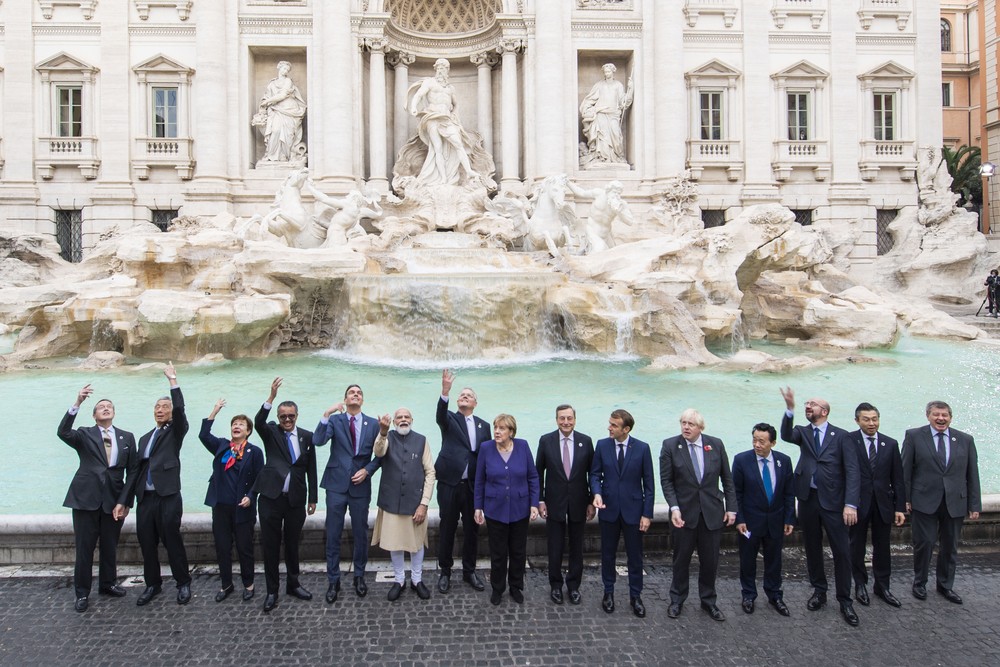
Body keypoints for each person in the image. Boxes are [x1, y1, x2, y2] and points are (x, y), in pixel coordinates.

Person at [779, 387, 861, 626]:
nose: (808, 406)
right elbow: (784, 435)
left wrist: (850, 504)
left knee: (842, 551)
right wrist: (790, 409)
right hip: (807, 499)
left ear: (824, 411)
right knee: (812, 548)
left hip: (835, 502)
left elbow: (853, 471)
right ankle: (819, 591)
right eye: (806, 403)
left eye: (812, 404)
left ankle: (845, 599)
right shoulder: (802, 432)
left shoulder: (842, 436)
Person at [57, 385, 138, 612]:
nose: (105, 408)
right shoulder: (84, 433)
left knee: (110, 545)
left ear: (114, 413)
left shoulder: (127, 437)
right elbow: (63, 432)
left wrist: (125, 501)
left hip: (114, 499)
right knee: (85, 547)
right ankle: (82, 593)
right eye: (101, 407)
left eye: (109, 406)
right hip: (85, 498)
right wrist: (77, 403)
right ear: (94, 415)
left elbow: (133, 472)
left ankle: (108, 583)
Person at [659, 409, 737, 621]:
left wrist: (731, 508)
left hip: (711, 513)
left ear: (701, 427)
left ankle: (708, 600)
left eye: (690, 424)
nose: (686, 427)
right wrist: (674, 508)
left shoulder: (716, 444)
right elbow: (666, 482)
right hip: (683, 514)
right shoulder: (670, 446)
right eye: (683, 423)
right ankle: (677, 600)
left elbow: (727, 479)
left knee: (710, 561)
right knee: (680, 560)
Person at [901, 401, 981, 604]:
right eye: (936, 414)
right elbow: (905, 472)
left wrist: (974, 504)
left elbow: (972, 474)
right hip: (924, 501)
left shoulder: (965, 439)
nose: (941, 418)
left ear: (950, 417)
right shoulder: (914, 436)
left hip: (954, 503)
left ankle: (945, 585)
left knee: (950, 547)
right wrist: (905, 499)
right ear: (928, 416)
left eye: (945, 415)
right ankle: (919, 583)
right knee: (924, 544)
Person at [312, 384, 382, 603]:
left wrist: (367, 470)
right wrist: (327, 413)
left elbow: (380, 455)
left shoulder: (374, 424)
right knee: (333, 533)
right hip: (336, 484)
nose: (356, 395)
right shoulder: (335, 420)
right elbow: (318, 441)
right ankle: (333, 579)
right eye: (352, 392)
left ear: (363, 400)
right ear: (345, 399)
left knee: (361, 532)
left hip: (360, 485)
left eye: (359, 393)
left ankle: (359, 576)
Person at [253, 377, 317, 612]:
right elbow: (258, 421)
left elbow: (311, 467)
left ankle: (293, 583)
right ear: (278, 418)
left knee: (292, 544)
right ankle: (272, 591)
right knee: (270, 545)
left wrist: (313, 498)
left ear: (296, 416)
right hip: (270, 498)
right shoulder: (271, 432)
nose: (287, 420)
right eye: (283, 417)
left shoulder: (307, 436)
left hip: (295, 500)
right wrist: (271, 397)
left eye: (291, 416)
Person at [135, 363, 192, 607]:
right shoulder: (145, 438)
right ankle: (152, 584)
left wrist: (173, 382)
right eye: (157, 407)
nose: (160, 410)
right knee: (147, 543)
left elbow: (180, 408)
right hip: (145, 498)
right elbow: (137, 471)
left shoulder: (176, 431)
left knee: (172, 540)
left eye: (164, 407)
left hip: (168, 495)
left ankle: (183, 583)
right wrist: (124, 502)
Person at [199, 399, 265, 603]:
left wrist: (251, 496)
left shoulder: (254, 452)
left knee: (245, 548)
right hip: (220, 507)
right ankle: (226, 584)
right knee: (222, 547)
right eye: (234, 424)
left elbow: (259, 479)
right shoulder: (221, 446)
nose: (236, 426)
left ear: (248, 431)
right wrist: (214, 411)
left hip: (242, 508)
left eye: (241, 424)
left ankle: (249, 584)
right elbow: (203, 435)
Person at [591, 409, 654, 618]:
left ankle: (635, 596)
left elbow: (649, 485)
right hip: (608, 510)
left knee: (635, 557)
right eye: (609, 423)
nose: (609, 427)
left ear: (626, 429)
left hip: (633, 512)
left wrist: (647, 514)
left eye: (614, 425)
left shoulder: (643, 449)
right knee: (607, 555)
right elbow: (594, 475)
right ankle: (608, 592)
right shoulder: (601, 445)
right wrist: (597, 494)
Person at [434, 369, 491, 594]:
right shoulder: (448, 419)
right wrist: (445, 391)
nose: (465, 396)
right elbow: (439, 413)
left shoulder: (484, 425)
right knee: (446, 528)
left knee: (472, 531)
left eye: (469, 395)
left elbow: (487, 455)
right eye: (462, 395)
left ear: (475, 403)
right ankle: (445, 572)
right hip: (449, 483)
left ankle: (469, 571)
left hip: (472, 487)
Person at [474, 414, 540, 605]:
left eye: (502, 428)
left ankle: (516, 586)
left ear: (511, 432)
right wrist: (478, 506)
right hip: (495, 509)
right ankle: (497, 588)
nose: (497, 431)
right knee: (498, 553)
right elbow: (480, 480)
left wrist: (534, 503)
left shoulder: (523, 446)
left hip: (520, 508)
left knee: (518, 552)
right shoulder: (486, 448)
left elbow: (533, 477)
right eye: (496, 427)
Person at [371, 408, 435, 601]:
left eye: (407, 417)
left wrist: (424, 503)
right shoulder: (386, 437)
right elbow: (378, 451)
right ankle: (399, 580)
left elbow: (430, 472)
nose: (403, 420)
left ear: (412, 420)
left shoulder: (422, 440)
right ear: (394, 422)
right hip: (391, 501)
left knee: (416, 544)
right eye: (399, 417)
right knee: (394, 543)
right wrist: (382, 432)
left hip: (415, 502)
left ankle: (417, 579)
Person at [732, 423, 795, 616]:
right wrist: (739, 519)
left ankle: (774, 593)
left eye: (761, 441)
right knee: (748, 560)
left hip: (775, 520)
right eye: (754, 440)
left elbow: (788, 493)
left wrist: (789, 519)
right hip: (750, 522)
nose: (757, 445)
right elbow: (736, 493)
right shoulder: (742, 460)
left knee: (774, 560)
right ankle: (748, 594)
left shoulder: (784, 461)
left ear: (773, 443)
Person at [535, 404, 594, 605]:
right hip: (554, 502)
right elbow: (538, 473)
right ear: (556, 420)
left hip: (579, 501)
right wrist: (540, 500)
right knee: (555, 545)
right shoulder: (546, 441)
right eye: (562, 418)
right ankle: (556, 585)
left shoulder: (586, 442)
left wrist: (591, 501)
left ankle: (574, 586)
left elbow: (591, 474)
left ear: (575, 420)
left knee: (577, 546)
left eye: (569, 418)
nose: (566, 422)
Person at [848, 402, 906, 608]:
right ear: (857, 421)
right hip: (858, 504)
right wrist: (848, 504)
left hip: (883, 504)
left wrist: (900, 507)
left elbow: (898, 478)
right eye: (866, 419)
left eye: (875, 419)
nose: (872, 423)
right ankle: (860, 584)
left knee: (883, 547)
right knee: (856, 546)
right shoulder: (848, 441)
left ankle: (882, 586)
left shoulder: (890, 444)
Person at [407, 58, 476, 186]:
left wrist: (455, 115)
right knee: (437, 148)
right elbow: (419, 95)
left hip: (447, 119)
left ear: (447, 70)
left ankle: (469, 171)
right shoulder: (430, 82)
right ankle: (443, 178)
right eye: (438, 68)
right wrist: (413, 106)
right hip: (432, 117)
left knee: (458, 144)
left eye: (443, 68)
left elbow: (456, 104)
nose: (440, 70)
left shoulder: (450, 88)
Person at [579, 63, 634, 164]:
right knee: (602, 138)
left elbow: (624, 102)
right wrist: (588, 109)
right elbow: (589, 100)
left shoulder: (618, 85)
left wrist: (630, 89)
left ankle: (616, 157)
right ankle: (603, 159)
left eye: (608, 71)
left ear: (613, 72)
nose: (606, 74)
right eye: (605, 72)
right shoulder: (599, 85)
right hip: (601, 115)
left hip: (614, 115)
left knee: (616, 136)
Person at [254, 60, 307, 164]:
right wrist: (264, 106)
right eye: (284, 68)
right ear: (279, 68)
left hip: (289, 109)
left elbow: (282, 96)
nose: (285, 71)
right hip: (275, 110)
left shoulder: (288, 81)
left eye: (287, 70)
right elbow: (266, 96)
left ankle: (284, 156)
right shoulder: (272, 83)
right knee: (276, 130)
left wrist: (267, 102)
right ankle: (272, 155)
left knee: (288, 134)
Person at [565, 179, 633, 253]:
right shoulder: (599, 193)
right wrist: (568, 182)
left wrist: (619, 212)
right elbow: (582, 193)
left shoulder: (621, 204)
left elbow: (630, 222)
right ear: (608, 191)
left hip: (607, 235)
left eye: (618, 193)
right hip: (592, 231)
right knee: (599, 249)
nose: (616, 195)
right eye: (614, 192)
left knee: (613, 255)